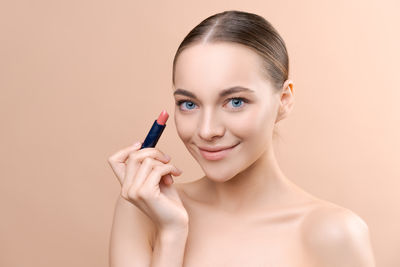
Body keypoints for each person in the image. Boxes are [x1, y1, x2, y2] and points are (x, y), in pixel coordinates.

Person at [107, 10, 376, 267]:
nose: (207, 130)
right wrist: (172, 234)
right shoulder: (144, 210)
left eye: (235, 101)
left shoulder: (335, 234)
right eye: (189, 104)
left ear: (284, 100)